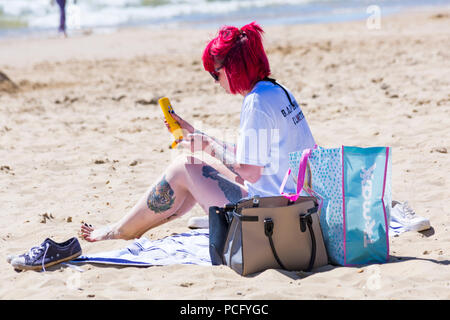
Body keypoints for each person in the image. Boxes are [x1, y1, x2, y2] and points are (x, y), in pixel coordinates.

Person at [80, 22, 316, 242]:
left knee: (184, 166)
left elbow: (250, 172)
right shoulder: (276, 91)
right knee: (194, 164)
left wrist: (208, 147)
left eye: (216, 73)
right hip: (296, 207)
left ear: (233, 68)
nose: (216, 81)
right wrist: (196, 134)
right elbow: (253, 159)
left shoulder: (256, 102)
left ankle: (120, 231)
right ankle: (128, 227)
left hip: (273, 219)